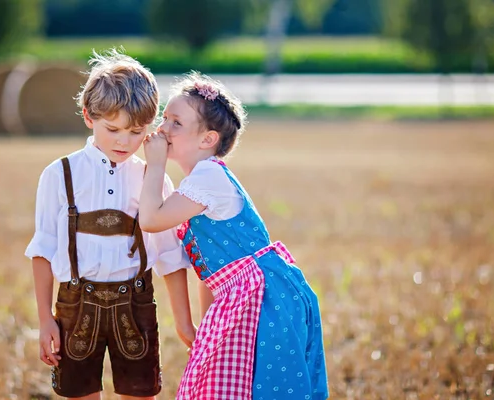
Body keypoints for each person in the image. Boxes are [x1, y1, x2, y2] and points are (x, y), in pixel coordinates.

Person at [139, 72, 329, 400]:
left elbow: (152, 219)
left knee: (262, 387)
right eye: (164, 118)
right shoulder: (201, 179)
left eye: (176, 123)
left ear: (207, 139)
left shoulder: (209, 176)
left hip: (265, 298)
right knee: (225, 384)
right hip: (246, 294)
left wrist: (154, 165)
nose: (163, 129)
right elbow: (212, 275)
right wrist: (206, 321)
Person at [24, 49, 194, 400]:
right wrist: (45, 319)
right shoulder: (60, 175)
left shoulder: (154, 177)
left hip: (135, 303)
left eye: (136, 132)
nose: (124, 141)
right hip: (74, 305)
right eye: (112, 129)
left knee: (141, 394)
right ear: (88, 116)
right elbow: (43, 250)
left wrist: (184, 322)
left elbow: (170, 258)